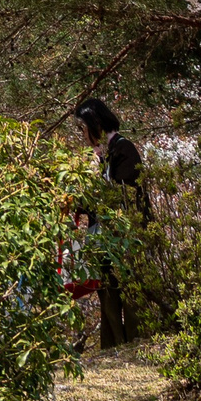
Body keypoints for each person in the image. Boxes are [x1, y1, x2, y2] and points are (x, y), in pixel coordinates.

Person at [74, 98, 147, 347]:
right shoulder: (103, 154)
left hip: (124, 235)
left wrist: (96, 174)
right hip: (101, 236)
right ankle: (113, 345)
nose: (83, 135)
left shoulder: (124, 149)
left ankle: (137, 343)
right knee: (106, 289)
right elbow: (91, 202)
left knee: (129, 289)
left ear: (96, 124)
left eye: (84, 128)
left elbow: (122, 194)